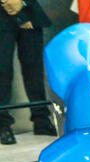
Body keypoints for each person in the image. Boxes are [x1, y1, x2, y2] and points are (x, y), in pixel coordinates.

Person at [0, 0, 54, 145]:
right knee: (3, 72)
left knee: (34, 70)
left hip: (29, 12)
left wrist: (22, 4)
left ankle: (41, 120)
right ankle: (3, 125)